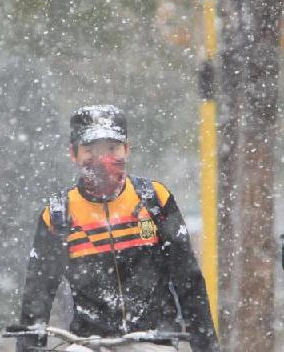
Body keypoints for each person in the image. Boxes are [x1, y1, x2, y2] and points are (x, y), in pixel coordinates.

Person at [16, 105, 220, 352]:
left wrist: (206, 345)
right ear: (73, 154)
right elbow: (38, 295)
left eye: (112, 149)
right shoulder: (58, 214)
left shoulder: (154, 200)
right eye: (90, 151)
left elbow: (188, 280)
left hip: (153, 339)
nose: (102, 160)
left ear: (127, 149)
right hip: (87, 343)